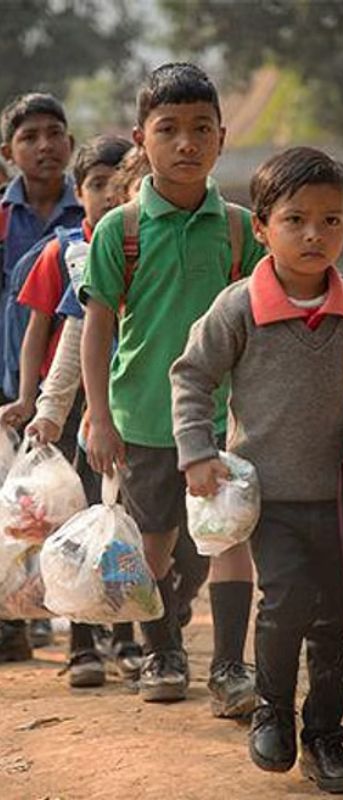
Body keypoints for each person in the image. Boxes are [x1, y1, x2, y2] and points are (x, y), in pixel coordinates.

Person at [171, 146, 343, 792]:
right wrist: (196, 451)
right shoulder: (237, 308)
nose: (314, 234)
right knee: (284, 602)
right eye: (295, 220)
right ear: (261, 228)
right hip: (268, 495)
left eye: (331, 220)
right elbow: (192, 377)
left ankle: (325, 737)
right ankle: (273, 714)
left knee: (337, 616)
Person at [79, 63, 267, 711]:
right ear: (142, 139)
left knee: (228, 537)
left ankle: (229, 671)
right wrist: (99, 417)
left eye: (201, 129)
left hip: (222, 418)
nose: (186, 143)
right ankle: (162, 654)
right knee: (155, 538)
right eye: (169, 129)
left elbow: (259, 328)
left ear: (221, 137)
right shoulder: (120, 231)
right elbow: (98, 329)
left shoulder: (241, 229)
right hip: (144, 418)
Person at [10, 134, 142, 687]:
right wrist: (37, 403)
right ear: (78, 191)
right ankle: (85, 642)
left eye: (120, 187)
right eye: (96, 186)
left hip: (140, 405)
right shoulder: (67, 253)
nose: (109, 198)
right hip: (82, 410)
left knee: (129, 523)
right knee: (79, 522)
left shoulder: (143, 245)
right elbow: (51, 336)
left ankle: (131, 631)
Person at [0, 91, 83, 661]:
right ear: (9, 153)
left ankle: (78, 615)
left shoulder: (92, 217)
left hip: (72, 382)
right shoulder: (3, 219)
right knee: (10, 508)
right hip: (5, 381)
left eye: (54, 133)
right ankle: (13, 622)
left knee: (63, 499)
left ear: (71, 145)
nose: (44, 146)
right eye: (30, 137)